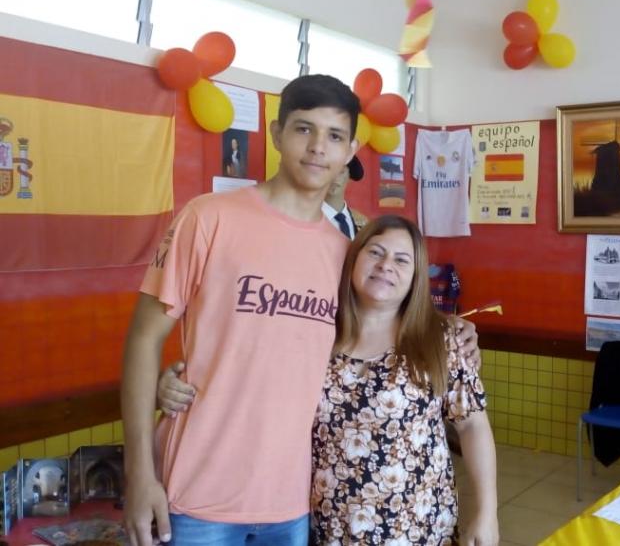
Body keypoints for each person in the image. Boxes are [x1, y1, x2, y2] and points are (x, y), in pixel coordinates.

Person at [121, 73, 480, 546]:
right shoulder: (208, 218)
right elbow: (144, 337)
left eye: (333, 136)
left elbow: (386, 318)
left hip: (293, 503)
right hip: (196, 495)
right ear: (276, 134)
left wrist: (451, 328)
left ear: (350, 149)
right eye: (303, 129)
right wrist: (138, 475)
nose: (317, 148)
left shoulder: (345, 255)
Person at [160, 215, 499, 545]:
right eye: (376, 252)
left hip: (417, 526)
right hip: (329, 525)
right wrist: (167, 385)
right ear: (353, 260)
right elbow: (248, 373)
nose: (385, 266)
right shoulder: (315, 332)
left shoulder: (439, 340)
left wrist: (487, 511)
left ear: (415, 277)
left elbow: (472, 426)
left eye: (402, 259)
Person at [322, 157, 368, 239]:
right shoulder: (305, 218)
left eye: (341, 172)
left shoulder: (362, 223)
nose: (335, 178)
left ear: (349, 177)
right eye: (329, 171)